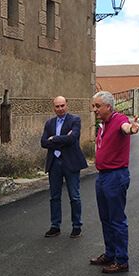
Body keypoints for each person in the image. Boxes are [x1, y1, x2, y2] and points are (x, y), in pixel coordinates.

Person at [88, 91, 139, 274]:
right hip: (103, 176)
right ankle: (110, 254)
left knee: (116, 219)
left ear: (108, 107)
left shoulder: (119, 119)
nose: (94, 109)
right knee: (105, 218)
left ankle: (121, 260)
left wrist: (132, 128)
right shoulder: (102, 125)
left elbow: (126, 128)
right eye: (94, 106)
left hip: (115, 176)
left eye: (97, 106)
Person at [40, 96, 88, 238]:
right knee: (54, 197)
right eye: (57, 106)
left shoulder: (75, 120)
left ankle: (76, 225)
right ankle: (55, 226)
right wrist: (62, 140)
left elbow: (72, 138)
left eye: (62, 106)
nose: (60, 109)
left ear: (67, 105)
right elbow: (43, 142)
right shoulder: (49, 123)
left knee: (74, 196)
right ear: (53, 107)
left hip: (70, 162)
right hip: (54, 163)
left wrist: (53, 139)